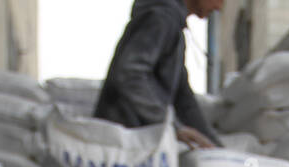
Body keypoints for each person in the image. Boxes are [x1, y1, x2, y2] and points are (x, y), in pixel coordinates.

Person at [95, 0, 225, 150]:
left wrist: (218, 148)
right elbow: (130, 75)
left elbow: (183, 98)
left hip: (136, 141)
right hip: (122, 140)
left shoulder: (173, 27)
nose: (219, 7)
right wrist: (172, 126)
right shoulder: (161, 19)